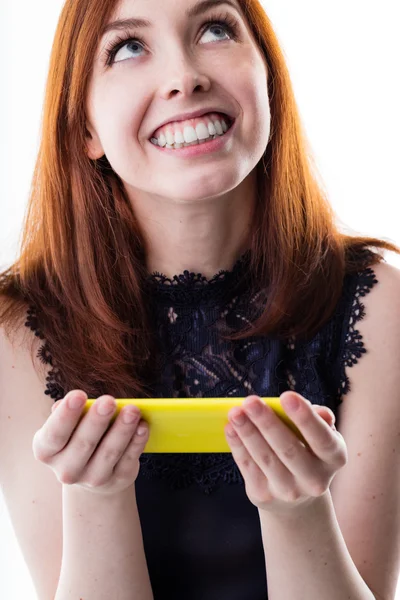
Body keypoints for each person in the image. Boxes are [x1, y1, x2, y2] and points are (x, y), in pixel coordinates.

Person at [0, 0, 399, 599]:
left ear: (268, 76)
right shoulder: (16, 328)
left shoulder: (379, 303)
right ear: (85, 128)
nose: (185, 76)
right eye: (128, 47)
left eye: (215, 29)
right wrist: (95, 498)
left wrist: (297, 514)